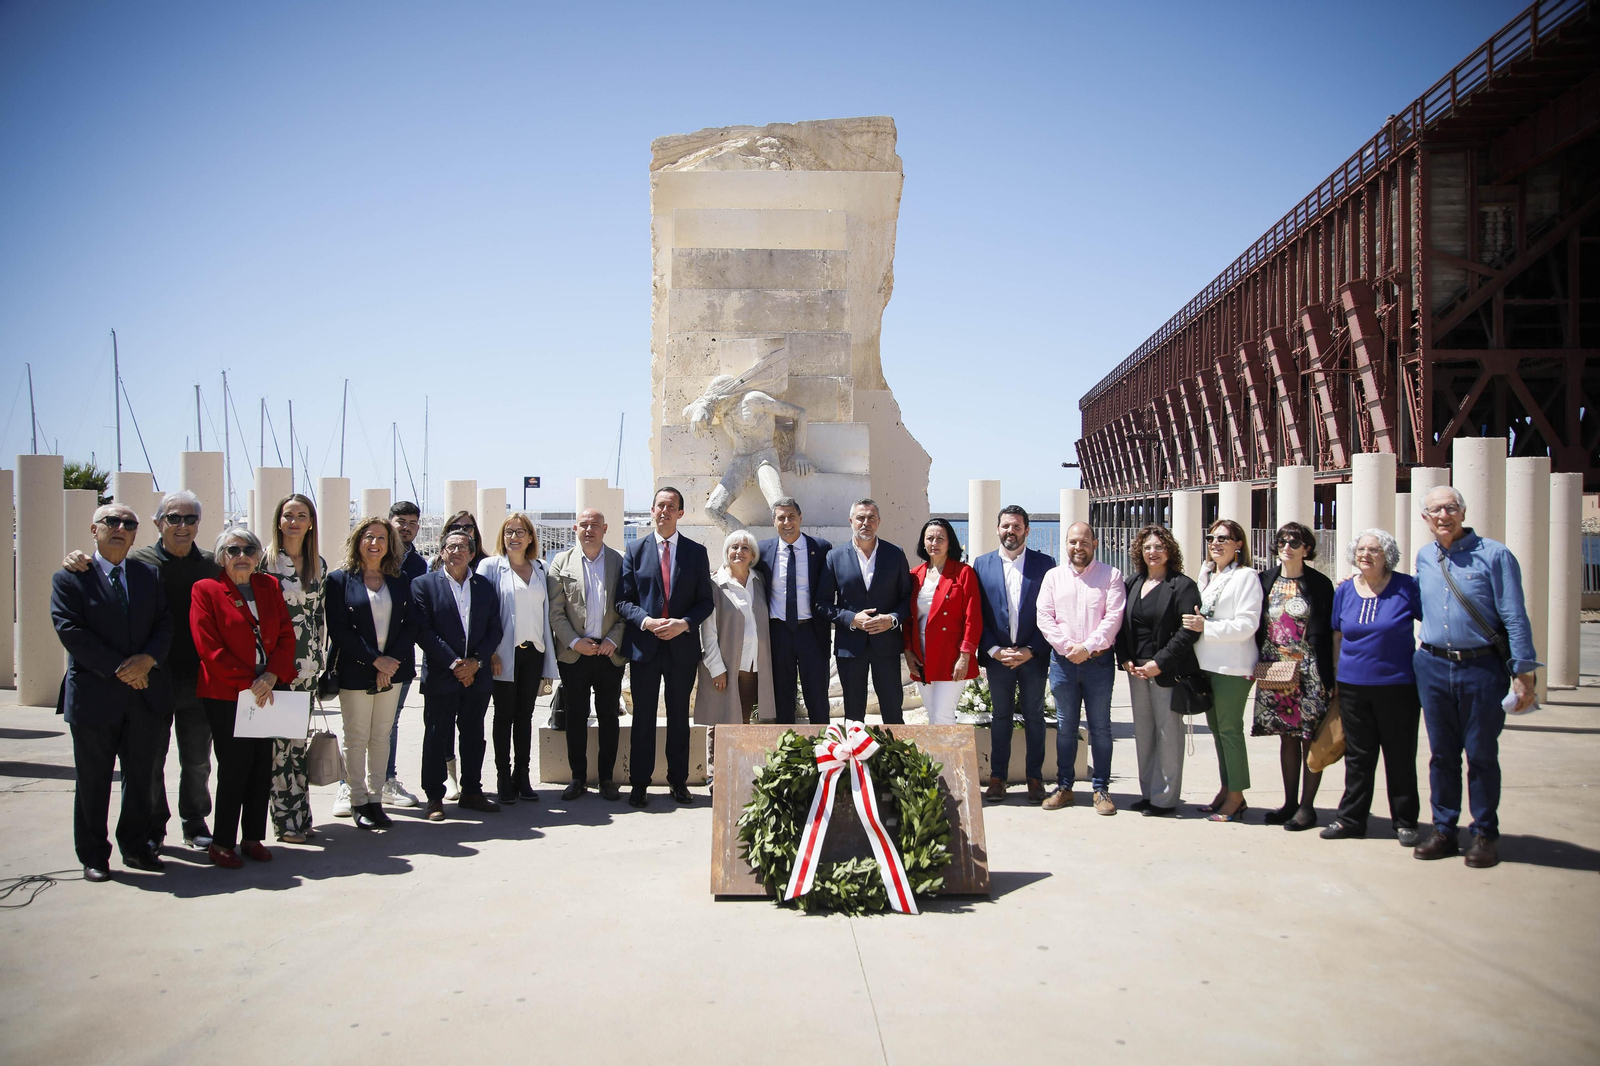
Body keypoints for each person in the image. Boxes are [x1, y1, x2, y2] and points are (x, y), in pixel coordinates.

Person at [62, 489, 219, 849]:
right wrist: (74, 558)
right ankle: (153, 828)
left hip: (199, 679)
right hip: (149, 680)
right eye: (173, 518)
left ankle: (195, 824)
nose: (182, 526)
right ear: (157, 523)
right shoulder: (143, 562)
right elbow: (102, 570)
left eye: (190, 519)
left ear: (198, 524)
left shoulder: (213, 564)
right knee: (148, 764)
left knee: (197, 762)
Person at [1411, 486, 1539, 869]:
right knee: (1442, 754)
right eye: (1435, 510)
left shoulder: (1495, 555)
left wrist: (1524, 672)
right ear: (1425, 518)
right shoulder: (1424, 557)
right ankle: (1445, 830)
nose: (1443, 515)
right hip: (1432, 664)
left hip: (1481, 668)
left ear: (1463, 512)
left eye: (1451, 508)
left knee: (1481, 754)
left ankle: (1484, 833)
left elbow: (1515, 616)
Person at [51, 503, 173, 881]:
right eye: (111, 521)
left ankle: (136, 848)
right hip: (95, 697)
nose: (120, 528)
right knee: (93, 780)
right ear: (94, 529)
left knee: (140, 778)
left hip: (143, 695)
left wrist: (148, 660)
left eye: (128, 523)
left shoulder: (148, 575)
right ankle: (93, 856)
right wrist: (124, 669)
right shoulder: (70, 577)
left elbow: (165, 624)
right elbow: (70, 630)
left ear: (137, 533)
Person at [190, 526, 297, 869]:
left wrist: (271, 675)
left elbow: (285, 633)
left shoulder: (268, 586)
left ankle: (252, 837)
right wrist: (251, 683)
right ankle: (222, 842)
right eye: (233, 550)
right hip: (226, 693)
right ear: (221, 556)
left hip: (265, 690)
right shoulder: (206, 589)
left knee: (260, 766)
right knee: (234, 768)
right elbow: (208, 647)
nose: (241, 556)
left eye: (248, 549)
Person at [616, 487, 716, 808]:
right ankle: (640, 784)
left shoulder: (696, 553)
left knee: (678, 718)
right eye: (660, 505)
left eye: (671, 507)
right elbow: (623, 600)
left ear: (680, 514)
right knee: (643, 717)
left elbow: (705, 603)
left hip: (682, 648)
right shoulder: (634, 550)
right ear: (651, 510)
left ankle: (678, 781)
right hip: (645, 647)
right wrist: (646, 622)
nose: (664, 511)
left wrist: (683, 623)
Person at [1323, 529, 1423, 846]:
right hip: (1353, 686)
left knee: (1400, 755)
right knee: (1358, 757)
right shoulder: (1345, 591)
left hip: (1398, 686)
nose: (1366, 554)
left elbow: (1432, 621)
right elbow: (1337, 636)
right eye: (1361, 548)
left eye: (1374, 549)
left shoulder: (1407, 587)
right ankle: (1351, 819)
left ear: (1388, 555)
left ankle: (1405, 821)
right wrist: (1335, 677)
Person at [325, 517, 415, 831]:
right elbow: (339, 630)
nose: (375, 543)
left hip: (393, 671)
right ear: (358, 541)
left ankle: (376, 800)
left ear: (390, 544)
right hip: (356, 670)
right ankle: (358, 800)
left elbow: (409, 625)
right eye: (368, 537)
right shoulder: (338, 580)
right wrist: (375, 661)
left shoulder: (399, 579)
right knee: (356, 738)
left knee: (381, 737)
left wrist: (390, 663)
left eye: (381, 537)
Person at [412, 528, 504, 820]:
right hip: (442, 675)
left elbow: (495, 629)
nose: (456, 551)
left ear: (472, 553)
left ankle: (472, 792)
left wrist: (475, 663)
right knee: (437, 736)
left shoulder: (485, 587)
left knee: (474, 735)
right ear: (441, 553)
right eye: (450, 547)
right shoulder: (423, 585)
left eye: (462, 547)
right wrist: (455, 664)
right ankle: (435, 797)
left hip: (477, 676)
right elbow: (423, 632)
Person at [1037, 522, 1126, 815]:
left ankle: (1101, 790)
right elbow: (1044, 617)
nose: (1079, 548)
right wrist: (1068, 648)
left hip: (1098, 662)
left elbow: (1113, 617)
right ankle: (1065, 787)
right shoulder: (1053, 577)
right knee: (1065, 728)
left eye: (1084, 542)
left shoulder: (1111, 576)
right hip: (1062, 663)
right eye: (1073, 542)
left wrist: (1086, 647)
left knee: (1100, 728)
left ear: (1095, 543)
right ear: (1066, 544)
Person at [1252, 521, 1336, 832]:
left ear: (1307, 549)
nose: (1287, 547)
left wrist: (1333, 676)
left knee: (1309, 737)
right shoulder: (1265, 581)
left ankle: (1307, 807)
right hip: (1275, 666)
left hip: (1310, 670)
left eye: (1295, 543)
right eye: (1283, 542)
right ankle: (1289, 802)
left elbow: (1330, 631)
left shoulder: (1319, 584)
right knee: (1286, 736)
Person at [1114, 524, 1201, 817]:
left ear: (1170, 551)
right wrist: (1125, 658)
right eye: (1148, 547)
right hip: (1136, 670)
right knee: (1144, 732)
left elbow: (1187, 632)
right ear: (1140, 550)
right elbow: (1121, 627)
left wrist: (1158, 663)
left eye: (1159, 547)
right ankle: (1148, 792)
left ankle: (1165, 799)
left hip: (1166, 670)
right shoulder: (1132, 582)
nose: (1153, 552)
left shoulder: (1183, 585)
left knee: (1168, 733)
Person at [972, 505, 1055, 804]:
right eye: (1006, 526)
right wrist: (994, 650)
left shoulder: (1045, 564)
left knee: (1034, 716)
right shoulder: (981, 565)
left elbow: (1049, 613)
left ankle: (1035, 777)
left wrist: (1031, 650)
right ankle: (998, 778)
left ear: (1027, 531)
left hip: (1033, 657)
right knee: (1001, 717)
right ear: (997, 529)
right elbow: (977, 614)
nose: (1011, 531)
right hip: (998, 658)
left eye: (1017, 527)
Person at [1183, 519, 1262, 823]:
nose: (1216, 543)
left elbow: (1247, 624)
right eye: (1212, 537)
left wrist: (1208, 627)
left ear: (1239, 544)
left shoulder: (1246, 578)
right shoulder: (1206, 575)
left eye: (1224, 538)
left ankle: (1237, 797)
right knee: (1217, 732)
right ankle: (1226, 787)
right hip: (1206, 665)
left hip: (1232, 666)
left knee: (1230, 731)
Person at [478, 513, 559, 805]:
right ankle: (503, 776)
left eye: (521, 531)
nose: (515, 537)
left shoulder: (540, 568)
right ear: (502, 536)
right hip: (504, 654)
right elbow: (483, 612)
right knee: (503, 716)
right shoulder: (490, 567)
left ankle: (522, 776)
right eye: (509, 531)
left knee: (524, 716)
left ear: (530, 537)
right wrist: (490, 653)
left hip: (533, 653)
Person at [548, 508, 626, 801]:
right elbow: (555, 613)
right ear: (575, 528)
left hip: (609, 653)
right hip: (575, 654)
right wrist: (573, 642)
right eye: (584, 525)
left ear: (605, 528)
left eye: (595, 525)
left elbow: (627, 607)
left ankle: (606, 778)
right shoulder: (560, 562)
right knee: (576, 716)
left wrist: (613, 640)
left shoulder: (619, 561)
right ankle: (577, 777)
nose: (589, 529)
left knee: (609, 717)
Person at [260, 493, 326, 843]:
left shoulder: (319, 564)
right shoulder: (264, 563)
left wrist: (321, 662)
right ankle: (285, 822)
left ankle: (301, 818)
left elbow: (318, 618)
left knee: (297, 746)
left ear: (310, 522)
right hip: (275, 669)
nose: (294, 521)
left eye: (302, 515)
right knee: (277, 749)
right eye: (288, 515)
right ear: (279, 521)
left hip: (307, 670)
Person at [820, 499, 913, 725]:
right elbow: (821, 603)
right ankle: (854, 760)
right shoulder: (835, 557)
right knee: (853, 714)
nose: (866, 523)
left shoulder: (895, 554)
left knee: (892, 710)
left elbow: (907, 598)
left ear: (879, 522)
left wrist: (891, 620)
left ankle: (896, 756)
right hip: (850, 647)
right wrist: (852, 619)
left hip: (887, 645)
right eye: (860, 518)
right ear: (851, 521)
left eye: (871, 518)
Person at [697, 530, 776, 777]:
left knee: (742, 720)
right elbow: (707, 631)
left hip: (752, 666)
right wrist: (716, 668)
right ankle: (715, 775)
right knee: (718, 722)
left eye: (744, 548)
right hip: (724, 668)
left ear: (753, 555)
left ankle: (738, 773)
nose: (738, 552)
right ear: (726, 552)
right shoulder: (714, 584)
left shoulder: (759, 581)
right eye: (733, 547)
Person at [754, 497, 833, 725]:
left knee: (817, 695)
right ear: (774, 521)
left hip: (812, 633)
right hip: (778, 633)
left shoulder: (821, 548)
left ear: (800, 518)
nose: (787, 522)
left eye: (791, 516)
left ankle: (823, 749)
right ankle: (787, 750)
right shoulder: (763, 551)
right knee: (782, 695)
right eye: (781, 517)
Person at [903, 517, 982, 725]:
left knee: (943, 716)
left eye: (940, 538)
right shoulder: (914, 575)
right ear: (923, 542)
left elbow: (973, 617)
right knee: (932, 715)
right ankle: (936, 758)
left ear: (950, 542)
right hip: (922, 655)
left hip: (952, 655)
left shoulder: (964, 573)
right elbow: (908, 619)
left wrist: (965, 656)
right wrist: (908, 652)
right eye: (929, 538)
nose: (934, 543)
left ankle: (947, 759)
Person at [379, 499, 426, 809]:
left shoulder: (419, 565)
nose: (406, 527)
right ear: (390, 522)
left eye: (412, 522)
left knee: (389, 721)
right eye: (401, 521)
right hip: (366, 654)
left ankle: (386, 780)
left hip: (402, 656)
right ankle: (349, 784)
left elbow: (416, 614)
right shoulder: (374, 555)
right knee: (356, 725)